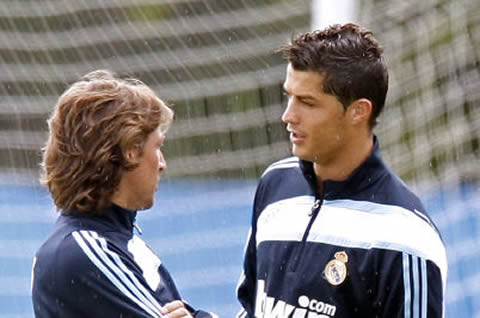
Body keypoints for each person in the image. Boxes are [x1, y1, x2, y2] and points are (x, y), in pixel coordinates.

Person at [236, 23, 447, 318]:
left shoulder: (405, 237)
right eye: (289, 97)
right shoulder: (275, 184)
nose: (288, 116)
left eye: (307, 102)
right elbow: (252, 308)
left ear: (359, 111)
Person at [32, 70, 216, 318]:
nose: (162, 164)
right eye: (158, 146)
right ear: (130, 150)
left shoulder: (116, 239)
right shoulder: (83, 251)